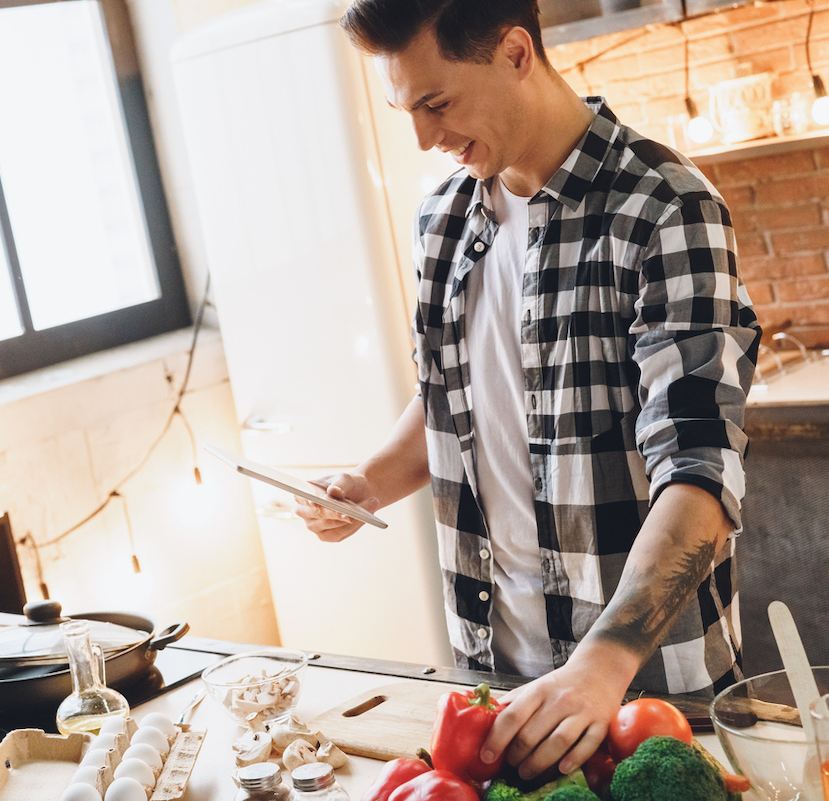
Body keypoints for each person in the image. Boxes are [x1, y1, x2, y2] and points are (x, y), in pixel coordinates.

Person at [293, 0, 761, 782]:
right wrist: (368, 482)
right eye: (405, 109)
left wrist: (602, 661)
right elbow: (449, 400)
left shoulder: (665, 208)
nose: (422, 138)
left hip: (643, 694)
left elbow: (701, 472)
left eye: (436, 103)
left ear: (515, 53)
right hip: (495, 690)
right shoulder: (442, 219)